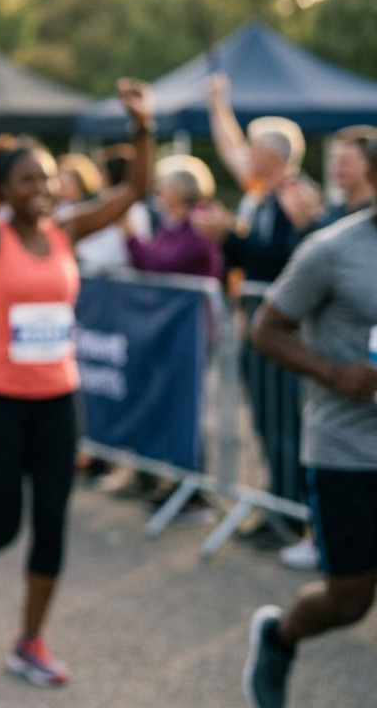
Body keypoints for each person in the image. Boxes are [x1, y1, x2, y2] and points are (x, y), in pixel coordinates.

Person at [0, 62, 153, 687]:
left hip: (59, 399)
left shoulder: (67, 231)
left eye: (49, 179)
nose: (43, 188)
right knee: (4, 523)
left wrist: (142, 127)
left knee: (52, 523)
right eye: (29, 179)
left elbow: (134, 191)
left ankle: (29, 640)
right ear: (3, 189)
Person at [241, 139, 377, 708]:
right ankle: (280, 637)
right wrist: (334, 372)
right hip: (349, 448)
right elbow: (266, 330)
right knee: (350, 599)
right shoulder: (332, 249)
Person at [194, 74, 320, 548]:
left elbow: (282, 261)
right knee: (267, 426)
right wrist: (217, 104)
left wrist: (231, 236)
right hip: (258, 329)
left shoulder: (295, 197)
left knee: (283, 425)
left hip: (283, 334)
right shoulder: (260, 191)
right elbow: (229, 149)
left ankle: (291, 518)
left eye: (255, 147)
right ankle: (276, 506)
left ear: (276, 155)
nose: (246, 152)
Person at [125, 155, 222, 280]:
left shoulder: (201, 223)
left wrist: (131, 237)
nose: (157, 190)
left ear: (179, 191)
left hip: (191, 299)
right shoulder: (171, 224)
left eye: (163, 186)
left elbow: (161, 266)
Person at [317, 126, 373, 229]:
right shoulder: (331, 214)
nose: (337, 169)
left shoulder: (373, 217)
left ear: (368, 164)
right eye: (334, 161)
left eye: (344, 162)